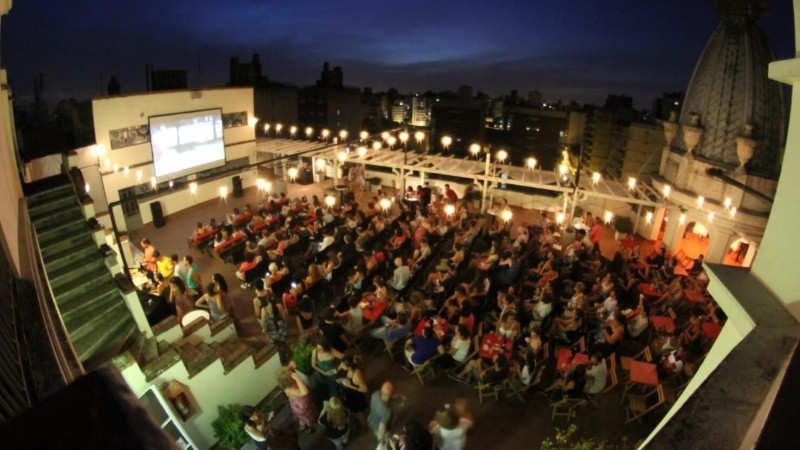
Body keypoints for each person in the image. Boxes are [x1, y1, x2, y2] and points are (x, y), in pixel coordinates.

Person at [277, 363, 317, 433]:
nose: (292, 372)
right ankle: (304, 427)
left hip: (302, 404)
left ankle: (302, 425)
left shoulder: (289, 382)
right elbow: (304, 392)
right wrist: (297, 378)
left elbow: (289, 367)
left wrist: (290, 367)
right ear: (289, 379)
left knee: (304, 416)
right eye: (291, 373)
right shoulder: (289, 389)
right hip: (301, 407)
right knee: (305, 417)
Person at [311, 336, 344, 404]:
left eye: (321, 349)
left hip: (332, 376)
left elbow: (344, 358)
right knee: (324, 393)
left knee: (334, 396)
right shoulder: (315, 351)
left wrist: (338, 368)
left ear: (326, 347)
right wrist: (324, 373)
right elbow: (313, 365)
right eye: (318, 348)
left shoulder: (332, 351)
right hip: (321, 376)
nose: (319, 350)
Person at [368, 381, 396, 446]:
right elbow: (382, 428)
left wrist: (393, 397)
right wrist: (382, 441)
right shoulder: (387, 412)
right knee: (387, 438)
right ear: (392, 393)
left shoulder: (375, 394)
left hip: (371, 420)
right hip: (378, 428)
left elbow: (385, 395)